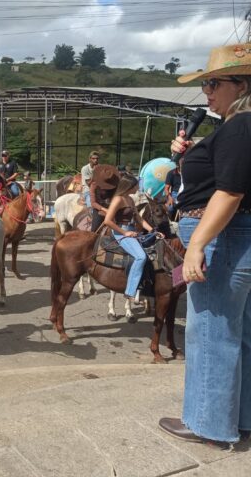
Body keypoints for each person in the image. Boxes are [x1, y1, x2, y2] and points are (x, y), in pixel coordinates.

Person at [160, 43, 251, 448]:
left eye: (213, 83)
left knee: (212, 333)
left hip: (224, 239)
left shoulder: (238, 127)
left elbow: (229, 192)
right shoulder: (234, 128)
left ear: (242, 84)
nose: (206, 92)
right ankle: (241, 418)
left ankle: (208, 423)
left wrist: (197, 244)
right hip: (237, 237)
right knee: (238, 333)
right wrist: (193, 155)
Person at [103, 174, 160, 301]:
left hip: (132, 230)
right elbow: (107, 221)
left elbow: (138, 218)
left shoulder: (130, 199)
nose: (137, 187)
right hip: (120, 232)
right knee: (141, 257)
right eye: (136, 185)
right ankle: (130, 291)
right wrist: (124, 232)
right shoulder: (118, 199)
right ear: (129, 186)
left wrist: (152, 230)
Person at [89, 164, 117, 233]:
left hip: (112, 208)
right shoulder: (94, 185)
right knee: (94, 230)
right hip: (99, 209)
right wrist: (105, 210)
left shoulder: (115, 184)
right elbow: (93, 203)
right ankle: (93, 238)